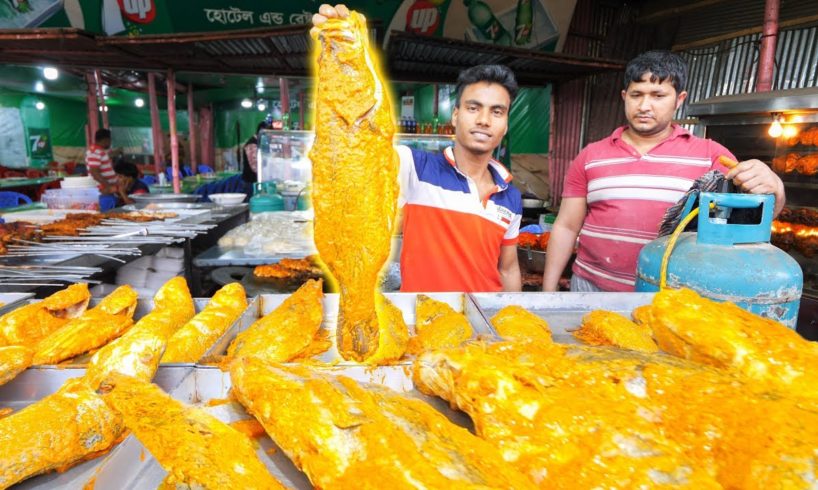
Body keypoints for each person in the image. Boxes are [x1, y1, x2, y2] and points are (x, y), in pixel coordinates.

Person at [313, 4, 522, 293]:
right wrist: (345, 54)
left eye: (497, 112)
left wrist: (512, 316)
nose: (484, 120)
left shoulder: (510, 196)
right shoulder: (416, 168)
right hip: (423, 323)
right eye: (474, 108)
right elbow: (360, 149)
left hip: (484, 326)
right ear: (456, 115)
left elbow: (508, 267)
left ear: (506, 123)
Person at [543, 50, 785, 292]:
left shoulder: (711, 156)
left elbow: (757, 216)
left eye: (658, 95)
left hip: (668, 295)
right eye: (636, 95)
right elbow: (566, 226)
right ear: (624, 96)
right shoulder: (590, 156)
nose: (644, 106)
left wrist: (775, 187)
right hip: (590, 287)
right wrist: (548, 291)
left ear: (679, 100)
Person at [85, 128, 117, 193]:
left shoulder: (98, 151)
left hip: (106, 186)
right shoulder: (95, 152)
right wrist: (108, 186)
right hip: (103, 187)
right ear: (106, 140)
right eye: (110, 140)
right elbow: (94, 172)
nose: (110, 143)